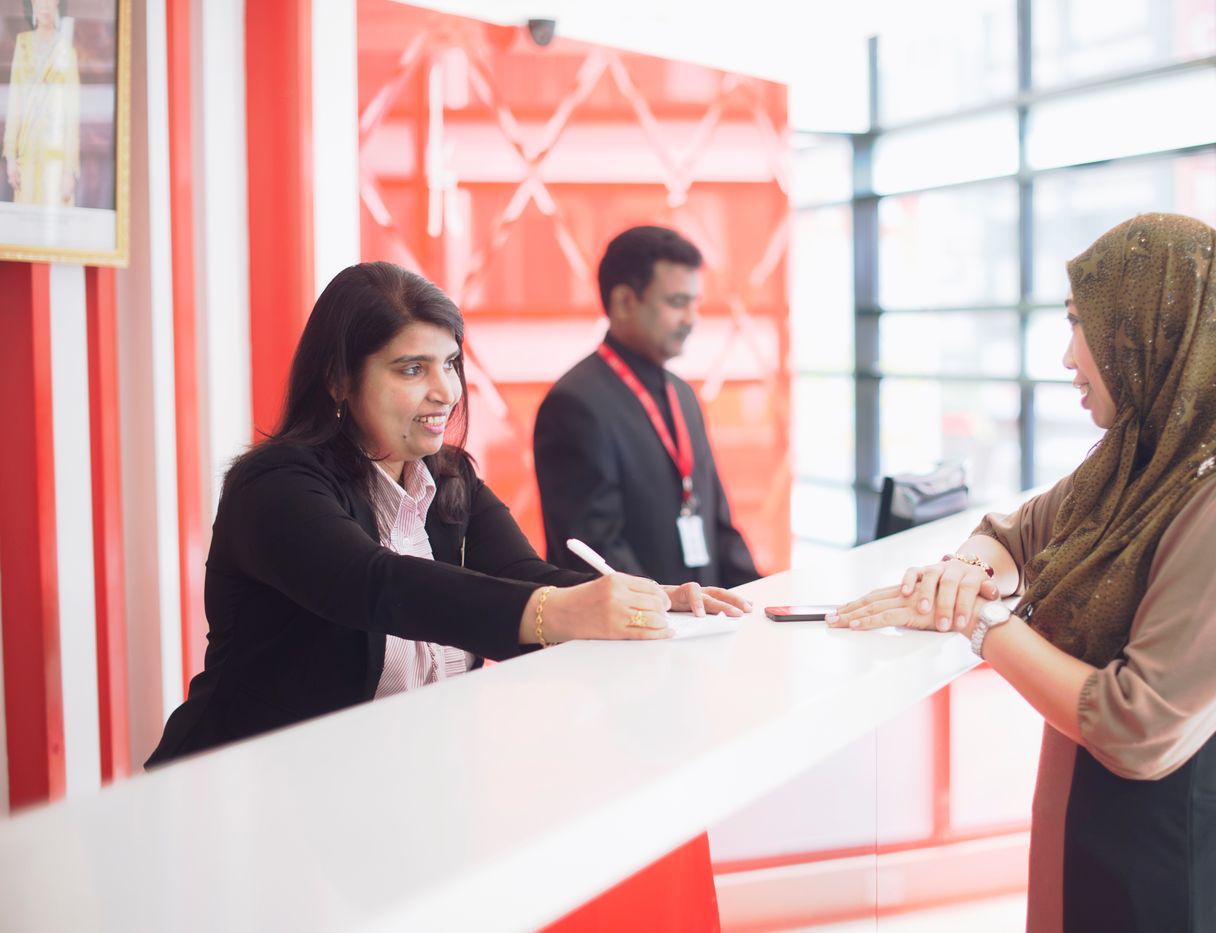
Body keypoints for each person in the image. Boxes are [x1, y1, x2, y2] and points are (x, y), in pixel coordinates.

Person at [828, 213, 1216, 932]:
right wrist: (968, 572)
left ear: (1147, 328)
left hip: (1165, 891)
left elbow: (1137, 725)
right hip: (1090, 860)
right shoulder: (1146, 462)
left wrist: (979, 619)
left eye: (1081, 324)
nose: (1068, 356)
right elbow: (1016, 532)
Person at [147, 262, 749, 767]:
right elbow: (378, 585)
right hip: (243, 793)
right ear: (337, 380)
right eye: (412, 369)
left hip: (388, 789)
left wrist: (647, 599)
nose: (447, 390)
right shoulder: (274, 486)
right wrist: (561, 609)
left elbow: (525, 577)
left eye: (451, 363)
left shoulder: (451, 478)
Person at [533, 225, 759, 588]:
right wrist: (666, 614)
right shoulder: (574, 404)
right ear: (624, 302)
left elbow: (719, 525)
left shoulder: (682, 394)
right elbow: (596, 553)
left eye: (694, 302)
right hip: (638, 634)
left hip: (703, 624)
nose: (691, 319)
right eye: (676, 302)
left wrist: (757, 599)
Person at [3, 0, 80, 206]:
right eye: (39, 0)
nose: (44, 6)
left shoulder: (66, 51)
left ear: (58, 4)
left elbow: (72, 116)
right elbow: (14, 103)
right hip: (26, 152)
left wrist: (69, 171)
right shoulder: (23, 44)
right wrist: (10, 157)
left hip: (56, 153)